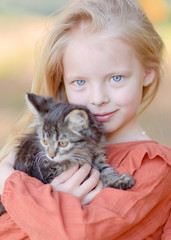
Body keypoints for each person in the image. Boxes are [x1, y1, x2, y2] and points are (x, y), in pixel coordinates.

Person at [0, 0, 171, 239]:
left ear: (148, 73)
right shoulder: (41, 151)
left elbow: (81, 234)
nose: (98, 98)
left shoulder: (154, 166)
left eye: (116, 78)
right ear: (63, 82)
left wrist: (9, 182)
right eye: (80, 82)